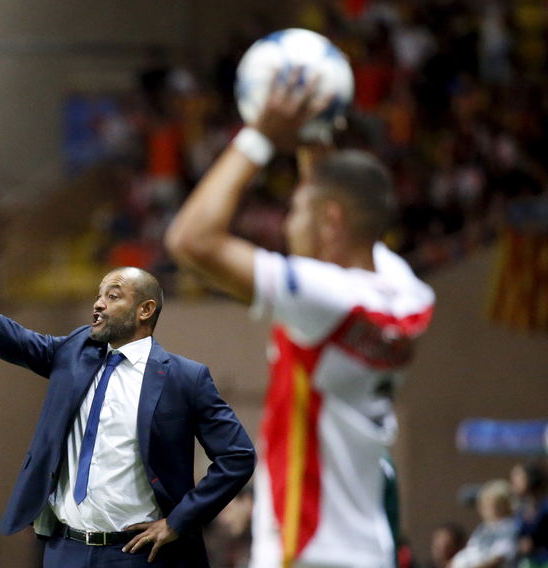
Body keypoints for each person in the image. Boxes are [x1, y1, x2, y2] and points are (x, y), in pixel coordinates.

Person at [164, 73, 435, 567]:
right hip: (367, 545)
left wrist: (260, 135)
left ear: (330, 221)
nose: (287, 225)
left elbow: (190, 240)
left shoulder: (327, 300)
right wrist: (313, 137)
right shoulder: (407, 294)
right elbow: (339, 220)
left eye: (294, 211)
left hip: (307, 547)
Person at [0, 263, 256, 567]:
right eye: (98, 295)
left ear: (145, 310)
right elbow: (9, 336)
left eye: (113, 295)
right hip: (64, 550)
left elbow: (237, 456)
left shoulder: (184, 378)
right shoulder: (76, 351)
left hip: (139, 555)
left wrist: (178, 521)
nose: (98, 303)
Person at [450, 479, 517, 568]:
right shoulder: (483, 528)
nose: (483, 509)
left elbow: (500, 557)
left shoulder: (508, 527)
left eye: (489, 504)